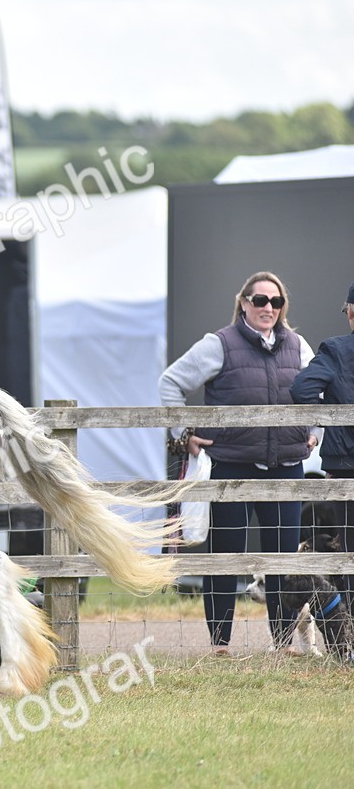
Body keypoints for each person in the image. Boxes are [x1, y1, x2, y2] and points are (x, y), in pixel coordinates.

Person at [160, 271, 320, 655]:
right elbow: (170, 383)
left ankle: (281, 644)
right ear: (244, 302)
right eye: (260, 300)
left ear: (283, 307)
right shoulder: (219, 344)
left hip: (285, 468)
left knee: (281, 559)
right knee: (225, 558)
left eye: (275, 301)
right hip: (231, 467)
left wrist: (316, 431)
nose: (268, 308)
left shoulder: (299, 346)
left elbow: (318, 393)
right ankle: (220, 644)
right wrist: (185, 434)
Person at [290, 281, 354, 597]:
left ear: (351, 314)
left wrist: (332, 414)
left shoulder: (337, 350)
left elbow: (301, 390)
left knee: (350, 553)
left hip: (346, 464)